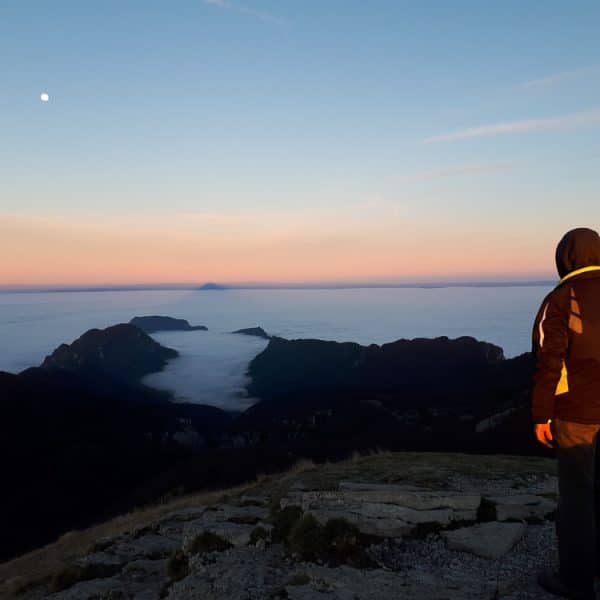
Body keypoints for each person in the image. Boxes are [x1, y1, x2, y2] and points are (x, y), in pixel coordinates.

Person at [532, 227, 600, 600]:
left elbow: (549, 361)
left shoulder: (561, 297)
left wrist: (541, 414)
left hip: (576, 414)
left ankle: (576, 581)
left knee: (577, 497)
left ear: (564, 257)